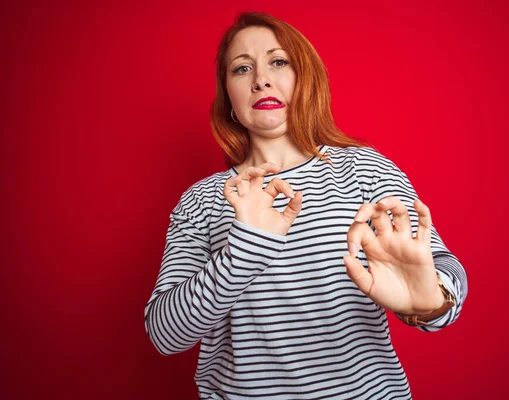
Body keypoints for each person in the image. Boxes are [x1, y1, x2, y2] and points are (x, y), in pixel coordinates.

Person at [144, 11, 468, 399]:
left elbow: (443, 267)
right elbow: (165, 334)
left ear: (304, 79)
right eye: (241, 68)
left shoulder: (363, 169)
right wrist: (244, 250)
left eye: (278, 62)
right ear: (228, 96)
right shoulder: (203, 200)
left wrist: (431, 300)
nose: (260, 78)